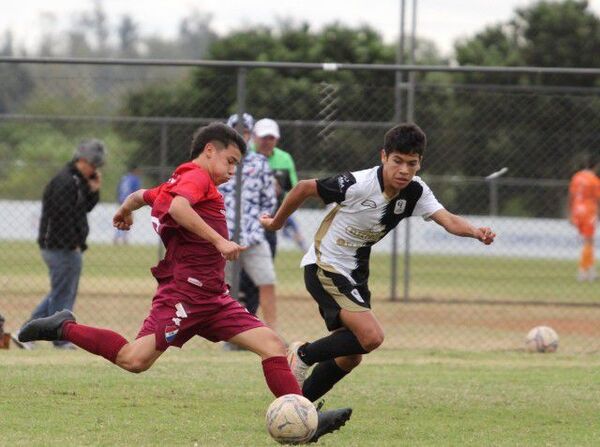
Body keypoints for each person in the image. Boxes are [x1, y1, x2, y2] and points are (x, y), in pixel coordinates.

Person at [18, 123, 351, 442]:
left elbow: (144, 195)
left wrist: (125, 209)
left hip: (214, 299)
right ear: (209, 151)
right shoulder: (195, 178)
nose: (232, 171)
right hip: (185, 296)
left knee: (273, 346)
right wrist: (220, 242)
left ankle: (303, 417)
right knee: (134, 360)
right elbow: (178, 207)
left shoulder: (179, 179)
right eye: (230, 161)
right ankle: (64, 327)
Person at [260, 123, 496, 402]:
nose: (404, 170)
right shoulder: (359, 184)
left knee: (351, 357)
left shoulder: (416, 192)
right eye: (397, 161)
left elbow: (448, 219)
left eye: (412, 163)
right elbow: (302, 188)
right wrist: (276, 223)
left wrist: (476, 232)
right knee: (372, 336)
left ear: (420, 163)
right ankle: (302, 355)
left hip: (354, 273)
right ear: (383, 156)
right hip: (325, 265)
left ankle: (299, 407)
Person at [14, 140, 106, 350]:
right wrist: (71, 243)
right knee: (63, 292)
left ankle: (25, 333)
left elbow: (84, 209)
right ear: (82, 161)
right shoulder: (65, 181)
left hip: (64, 246)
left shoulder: (77, 180)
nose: (95, 170)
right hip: (59, 247)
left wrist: (94, 190)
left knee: (61, 291)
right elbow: (60, 216)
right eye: (93, 165)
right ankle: (60, 337)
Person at [220, 113, 279, 330]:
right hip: (222, 236)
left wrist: (260, 220)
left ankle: (272, 331)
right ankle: (229, 332)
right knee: (223, 288)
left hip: (253, 236)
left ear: (251, 134)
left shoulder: (261, 163)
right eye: (235, 130)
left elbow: (269, 199)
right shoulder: (218, 162)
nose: (240, 135)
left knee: (267, 281)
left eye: (244, 131)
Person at [569, 157, 600, 282]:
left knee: (587, 241)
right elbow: (597, 199)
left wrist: (570, 213)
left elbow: (571, 195)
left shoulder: (576, 177)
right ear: (595, 167)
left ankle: (591, 270)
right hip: (588, 211)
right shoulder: (594, 180)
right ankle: (582, 271)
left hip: (577, 210)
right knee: (589, 242)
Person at [114, 164, 142, 245]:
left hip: (121, 200)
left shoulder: (124, 178)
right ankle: (124, 239)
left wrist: (119, 198)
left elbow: (118, 188)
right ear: (135, 170)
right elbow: (137, 191)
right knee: (128, 220)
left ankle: (117, 238)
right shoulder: (135, 179)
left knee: (119, 219)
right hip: (129, 201)